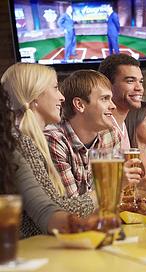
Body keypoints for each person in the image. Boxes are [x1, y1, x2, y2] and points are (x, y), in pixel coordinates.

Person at [0, 63, 97, 237]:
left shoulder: (27, 140)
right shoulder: (22, 142)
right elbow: (56, 209)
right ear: (35, 96)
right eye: (55, 88)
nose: (61, 97)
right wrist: (108, 192)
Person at [44, 70, 139, 198]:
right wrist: (116, 185)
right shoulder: (55, 140)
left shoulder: (111, 135)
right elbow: (72, 208)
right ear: (79, 105)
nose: (113, 106)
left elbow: (115, 198)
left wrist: (140, 192)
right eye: (104, 99)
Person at [98, 54, 144, 150]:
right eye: (130, 81)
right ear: (108, 85)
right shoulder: (101, 127)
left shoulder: (122, 124)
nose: (139, 88)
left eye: (141, 81)